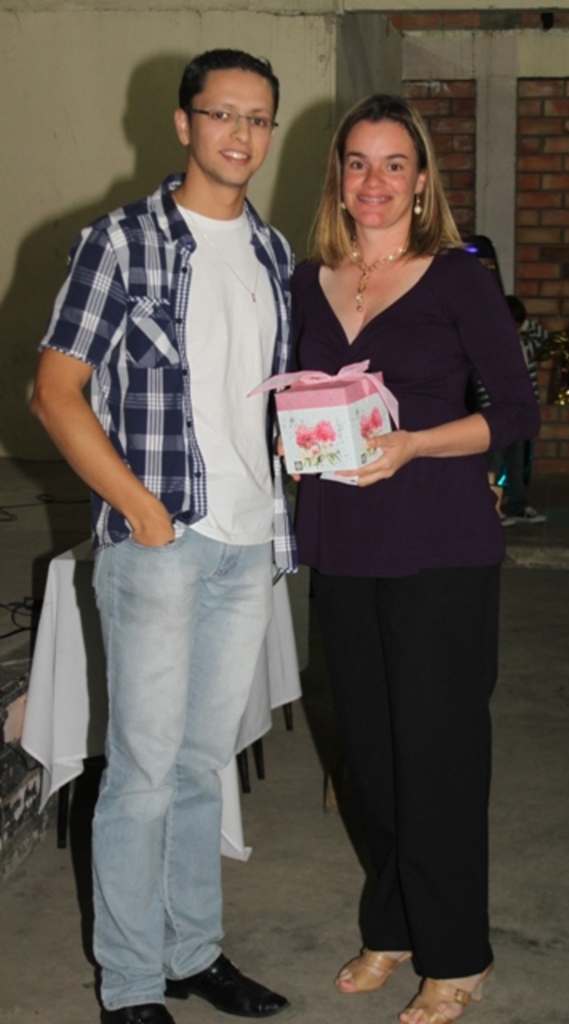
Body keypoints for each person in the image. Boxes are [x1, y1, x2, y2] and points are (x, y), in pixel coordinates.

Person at [30, 49, 295, 1024]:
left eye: (257, 118)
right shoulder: (119, 242)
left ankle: (192, 952)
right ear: (184, 124)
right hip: (159, 544)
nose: (240, 133)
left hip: (247, 546)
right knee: (141, 773)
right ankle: (132, 982)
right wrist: (142, 511)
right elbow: (54, 393)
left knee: (197, 766)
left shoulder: (272, 253)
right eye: (221, 113)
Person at [291, 95, 540, 1024]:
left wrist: (415, 446)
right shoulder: (309, 280)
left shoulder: (456, 278)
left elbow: (515, 410)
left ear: (422, 180)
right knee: (370, 757)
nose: (375, 181)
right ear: (337, 177)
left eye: (394, 164)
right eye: (358, 162)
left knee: (437, 756)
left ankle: (457, 952)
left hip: (438, 541)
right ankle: (393, 926)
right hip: (343, 541)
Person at [488, 295, 547, 526]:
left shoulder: (525, 344)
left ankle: (518, 505)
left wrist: (526, 326)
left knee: (516, 463)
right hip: (496, 413)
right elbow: (481, 383)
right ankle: (492, 507)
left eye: (516, 326)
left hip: (519, 412)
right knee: (493, 463)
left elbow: (546, 340)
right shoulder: (488, 347)